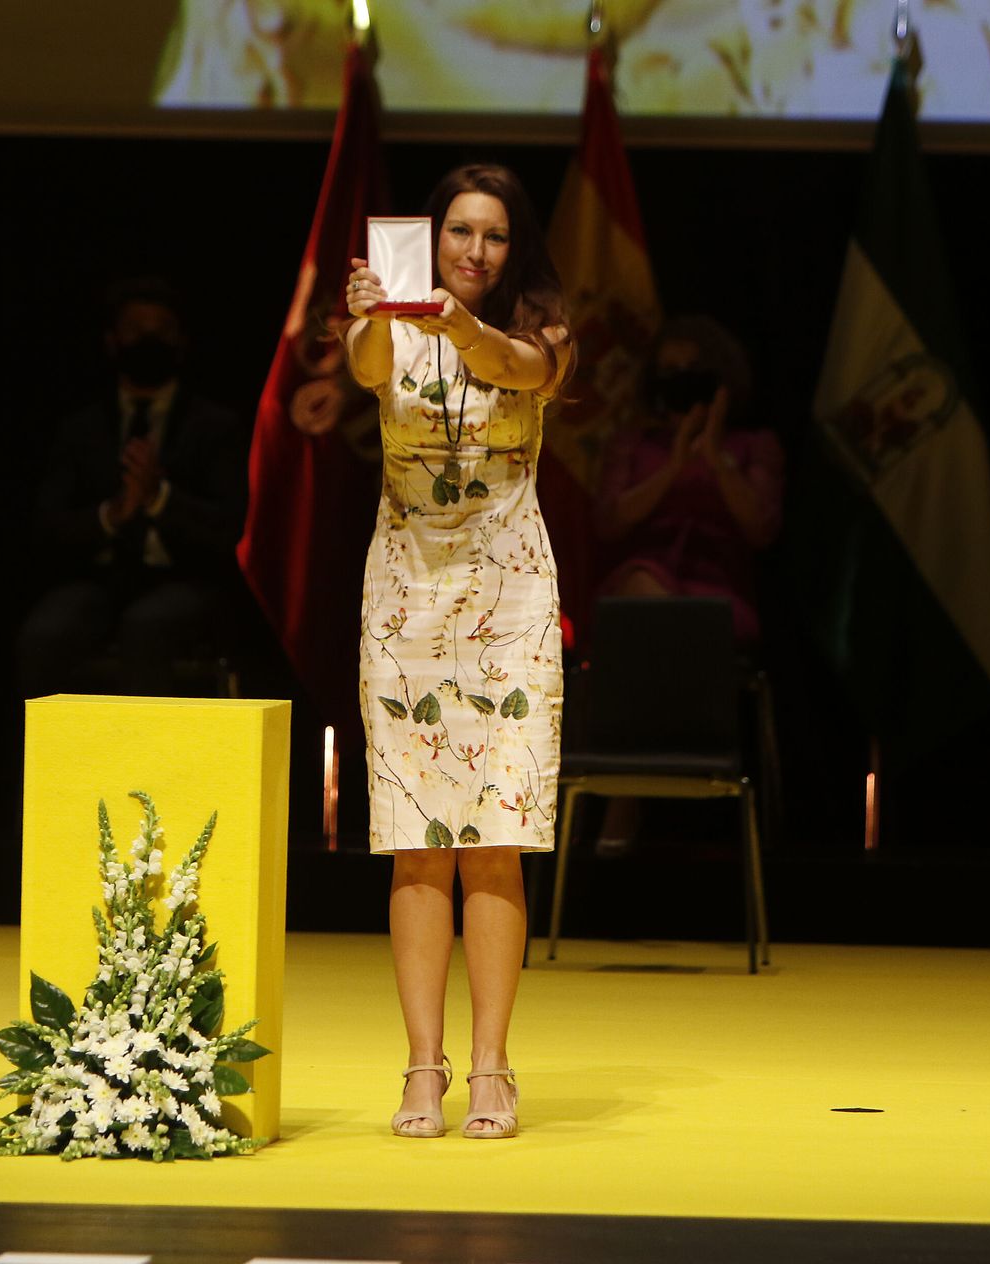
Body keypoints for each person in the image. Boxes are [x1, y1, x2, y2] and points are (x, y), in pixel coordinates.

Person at [344, 162, 573, 1139]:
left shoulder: (540, 333)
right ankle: (420, 1067)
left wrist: (459, 326)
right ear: (429, 239)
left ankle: (490, 1068)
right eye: (457, 232)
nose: (474, 250)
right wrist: (369, 316)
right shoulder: (392, 328)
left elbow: (515, 371)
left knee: (494, 843)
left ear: (513, 247)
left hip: (510, 604)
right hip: (406, 606)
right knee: (415, 846)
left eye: (491, 235)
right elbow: (363, 368)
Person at [589, 314, 785, 852]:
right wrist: (673, 465)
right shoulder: (634, 443)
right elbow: (609, 521)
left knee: (657, 623)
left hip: (717, 601)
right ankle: (645, 784)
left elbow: (760, 528)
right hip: (639, 590)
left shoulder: (752, 446)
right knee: (644, 594)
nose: (679, 381)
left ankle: (624, 795)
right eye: (669, 371)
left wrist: (714, 455)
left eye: (693, 372)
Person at [16, 277, 248, 698]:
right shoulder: (79, 427)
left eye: (160, 329)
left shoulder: (215, 427)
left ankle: (142, 761)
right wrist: (113, 514)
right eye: (135, 329)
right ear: (112, 340)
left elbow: (230, 529)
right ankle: (46, 761)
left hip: (184, 578)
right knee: (45, 631)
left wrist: (158, 498)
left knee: (148, 626)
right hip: (98, 577)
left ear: (180, 341)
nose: (147, 339)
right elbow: (47, 527)